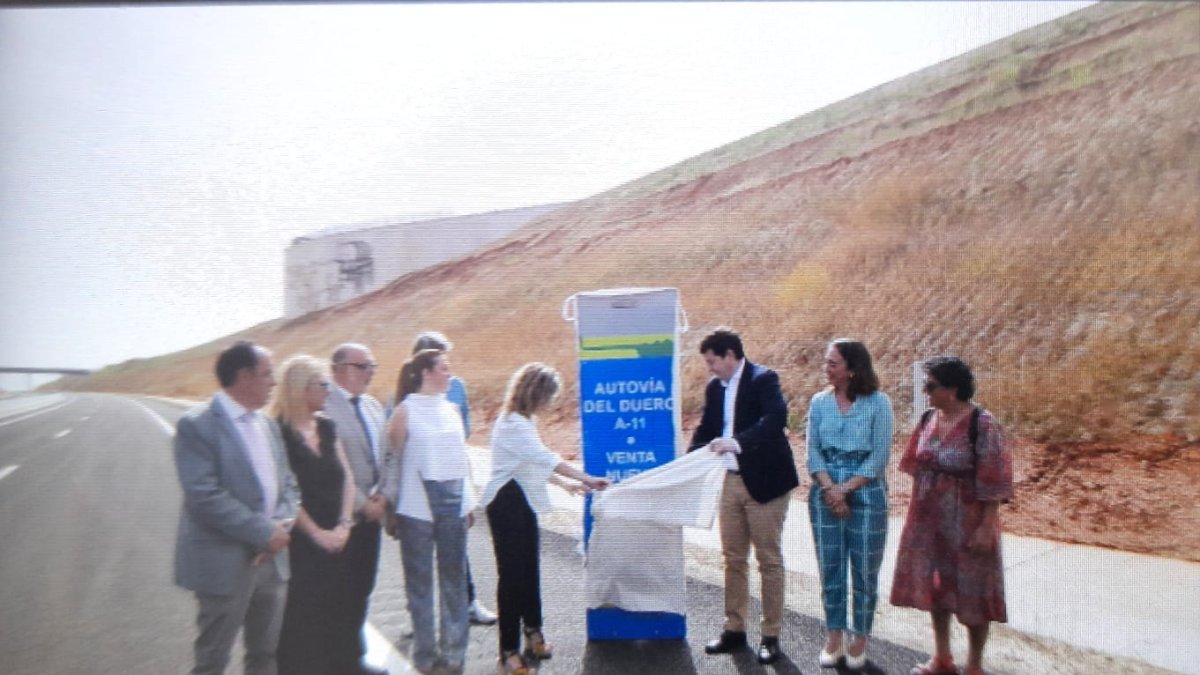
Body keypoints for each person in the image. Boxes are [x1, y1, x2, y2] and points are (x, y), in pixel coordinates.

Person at [173, 340, 299, 675]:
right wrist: (263, 532)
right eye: (267, 374)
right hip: (226, 563)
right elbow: (204, 495)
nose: (274, 383)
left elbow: (287, 482)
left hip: (272, 562)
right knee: (213, 659)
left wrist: (282, 526)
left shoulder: (267, 425)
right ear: (244, 376)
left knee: (265, 655)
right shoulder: (197, 424)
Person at [481, 363, 610, 674]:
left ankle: (533, 631)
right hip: (506, 503)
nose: (550, 403)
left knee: (528, 570)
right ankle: (508, 650)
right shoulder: (512, 424)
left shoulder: (522, 422)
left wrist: (566, 484)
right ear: (536, 394)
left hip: (521, 501)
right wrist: (586, 477)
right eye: (549, 396)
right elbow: (543, 458)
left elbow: (531, 464)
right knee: (512, 578)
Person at [891, 357, 1013, 675]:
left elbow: (995, 479)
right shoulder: (929, 417)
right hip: (929, 522)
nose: (924, 391)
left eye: (931, 386)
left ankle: (975, 666)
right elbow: (915, 465)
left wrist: (987, 526)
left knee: (974, 592)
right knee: (936, 589)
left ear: (953, 389)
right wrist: (916, 517)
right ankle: (942, 658)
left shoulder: (982, 424)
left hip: (968, 524)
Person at [689, 328, 799, 666]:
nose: (709, 368)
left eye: (712, 362)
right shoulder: (714, 388)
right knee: (732, 558)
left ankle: (771, 636)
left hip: (766, 483)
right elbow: (707, 429)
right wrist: (687, 464)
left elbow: (775, 419)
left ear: (730, 356)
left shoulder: (764, 379)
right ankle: (734, 629)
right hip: (731, 482)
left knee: (768, 559)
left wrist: (736, 441)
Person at [380, 349, 474, 674]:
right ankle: (424, 653)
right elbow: (392, 462)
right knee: (420, 583)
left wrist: (469, 503)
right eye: (444, 369)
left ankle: (454, 653)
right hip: (416, 507)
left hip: (454, 505)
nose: (450, 374)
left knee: (454, 581)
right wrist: (389, 509)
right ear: (426, 373)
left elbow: (462, 460)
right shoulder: (404, 411)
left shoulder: (452, 409)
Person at [806, 338, 893, 671]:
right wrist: (830, 489)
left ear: (853, 370)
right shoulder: (819, 403)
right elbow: (813, 452)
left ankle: (860, 637)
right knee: (831, 567)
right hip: (826, 490)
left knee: (864, 569)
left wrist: (847, 489)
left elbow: (880, 455)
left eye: (833, 363)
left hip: (866, 490)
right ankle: (833, 635)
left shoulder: (878, 403)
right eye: (826, 362)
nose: (826, 368)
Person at [273, 355, 357, 675]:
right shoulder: (278, 432)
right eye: (323, 385)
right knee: (300, 623)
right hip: (300, 545)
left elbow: (347, 477)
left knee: (336, 614)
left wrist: (344, 524)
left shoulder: (327, 426)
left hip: (338, 537)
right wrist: (317, 534)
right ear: (300, 388)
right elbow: (284, 492)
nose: (328, 392)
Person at [410, 330, 497, 626]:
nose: (446, 366)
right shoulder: (405, 390)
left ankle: (468, 603)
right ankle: (418, 614)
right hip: (419, 483)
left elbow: (466, 431)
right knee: (420, 552)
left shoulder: (456, 386)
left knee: (456, 547)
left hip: (451, 478)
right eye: (439, 358)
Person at [324, 343, 390, 674]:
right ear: (339, 369)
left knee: (363, 585)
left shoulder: (374, 406)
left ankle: (353, 656)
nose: (370, 372)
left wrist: (383, 496)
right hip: (340, 518)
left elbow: (387, 456)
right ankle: (341, 660)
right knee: (340, 591)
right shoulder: (323, 406)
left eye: (372, 366)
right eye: (363, 366)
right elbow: (330, 468)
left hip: (373, 517)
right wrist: (364, 503)